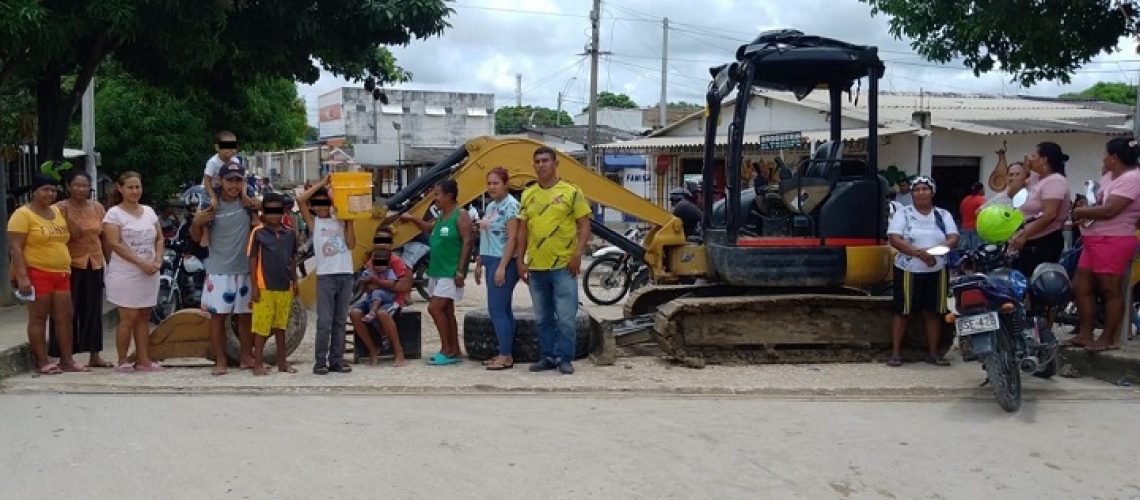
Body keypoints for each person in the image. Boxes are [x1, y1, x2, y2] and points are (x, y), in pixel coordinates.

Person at [516, 146, 592, 375]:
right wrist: (520, 260)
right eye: (537, 161)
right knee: (542, 318)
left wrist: (578, 254)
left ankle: (565, 358)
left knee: (567, 317)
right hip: (537, 267)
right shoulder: (528, 194)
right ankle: (547, 356)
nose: (541, 165)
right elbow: (522, 230)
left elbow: (585, 224)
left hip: (564, 266)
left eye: (545, 161)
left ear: (556, 163)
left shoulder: (571, 191)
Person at [1068, 138, 1140, 352]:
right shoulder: (1110, 176)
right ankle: (1085, 334)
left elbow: (1110, 210)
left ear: (1115, 158)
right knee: (1081, 286)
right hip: (1093, 239)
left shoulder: (1133, 178)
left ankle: (1108, 338)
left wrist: (1081, 212)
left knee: (1110, 290)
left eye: (1106, 155)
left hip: (1114, 239)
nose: (1103, 158)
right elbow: (1100, 203)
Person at [7, 173, 82, 374]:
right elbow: (16, 247)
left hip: (62, 273)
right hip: (37, 272)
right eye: (45, 189)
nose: (50, 193)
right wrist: (22, 276)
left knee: (65, 317)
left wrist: (68, 216)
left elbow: (75, 235)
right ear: (35, 192)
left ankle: (67, 360)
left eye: (53, 190)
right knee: (39, 318)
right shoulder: (23, 215)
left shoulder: (58, 212)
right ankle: (42, 361)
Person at [191, 161, 258, 376]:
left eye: (238, 180)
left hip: (244, 269)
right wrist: (196, 223)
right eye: (230, 180)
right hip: (218, 270)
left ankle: (246, 356)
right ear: (221, 180)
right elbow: (195, 237)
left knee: (245, 316)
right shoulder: (210, 205)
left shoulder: (249, 204)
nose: (234, 185)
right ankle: (220, 360)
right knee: (218, 317)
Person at [885, 176, 959, 367]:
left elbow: (953, 238)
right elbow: (895, 238)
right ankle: (895, 354)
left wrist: (934, 253)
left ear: (932, 192)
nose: (920, 193)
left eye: (925, 189)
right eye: (916, 190)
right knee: (903, 311)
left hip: (937, 269)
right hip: (909, 269)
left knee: (933, 312)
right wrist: (921, 254)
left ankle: (934, 354)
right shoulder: (904, 214)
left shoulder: (943, 215)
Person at [401, 179, 473, 366]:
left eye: (437, 195)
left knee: (434, 308)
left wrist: (460, 271)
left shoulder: (461, 215)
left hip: (450, 271)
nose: (435, 199)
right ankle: (454, 349)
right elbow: (429, 228)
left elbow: (467, 242)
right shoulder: (442, 215)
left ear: (449, 196)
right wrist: (412, 219)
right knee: (447, 311)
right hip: (437, 269)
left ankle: (446, 350)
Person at [47, 171, 110, 368]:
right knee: (66, 311)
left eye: (84, 186)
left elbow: (104, 236)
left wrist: (110, 261)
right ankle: (64, 355)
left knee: (93, 309)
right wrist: (69, 218)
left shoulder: (98, 207)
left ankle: (94, 354)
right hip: (70, 264)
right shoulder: (58, 209)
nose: (81, 190)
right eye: (76, 185)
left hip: (95, 262)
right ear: (68, 186)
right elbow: (73, 234)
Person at [102, 172, 164, 372]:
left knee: (144, 316)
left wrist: (157, 260)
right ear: (120, 189)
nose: (134, 191)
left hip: (149, 272)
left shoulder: (149, 211)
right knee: (128, 317)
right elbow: (114, 243)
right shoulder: (113, 214)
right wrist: (140, 263)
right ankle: (122, 360)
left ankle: (143, 359)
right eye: (130, 187)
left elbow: (159, 238)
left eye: (137, 187)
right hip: (126, 273)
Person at [297, 176, 356, 374]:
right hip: (326, 277)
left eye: (326, 203)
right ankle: (320, 361)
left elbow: (351, 244)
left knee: (340, 320)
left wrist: (348, 223)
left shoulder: (341, 220)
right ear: (314, 206)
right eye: (318, 204)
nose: (322, 207)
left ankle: (336, 360)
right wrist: (322, 184)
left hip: (345, 275)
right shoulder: (315, 224)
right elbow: (301, 200)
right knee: (324, 322)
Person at [472, 167, 521, 371]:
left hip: (504, 261)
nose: (492, 187)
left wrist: (502, 266)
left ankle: (506, 355)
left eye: (496, 183)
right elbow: (487, 235)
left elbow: (513, 238)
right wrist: (480, 261)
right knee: (503, 309)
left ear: (505, 184)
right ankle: (505, 350)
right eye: (489, 183)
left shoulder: (512, 206)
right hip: (489, 258)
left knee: (496, 309)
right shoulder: (491, 206)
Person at [247, 193, 298, 375]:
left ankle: (282, 362)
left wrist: (295, 280)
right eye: (270, 211)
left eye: (278, 211)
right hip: (264, 287)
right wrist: (254, 285)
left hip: (284, 287)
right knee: (261, 328)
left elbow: (292, 259)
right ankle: (258, 363)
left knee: (281, 327)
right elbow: (252, 260)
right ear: (264, 212)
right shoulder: (258, 233)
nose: (274, 216)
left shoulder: (290, 234)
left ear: (283, 212)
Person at [349, 226, 412, 367]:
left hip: (393, 300)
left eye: (386, 241)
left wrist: (377, 284)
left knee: (383, 313)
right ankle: (372, 349)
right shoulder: (371, 261)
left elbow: (403, 286)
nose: (382, 244)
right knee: (354, 313)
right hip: (372, 299)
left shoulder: (396, 261)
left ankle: (398, 352)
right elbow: (366, 287)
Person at [1009, 143, 1071, 278]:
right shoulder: (1034, 178)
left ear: (1044, 159)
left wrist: (1025, 235)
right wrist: (1024, 173)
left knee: (1036, 281)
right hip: (1028, 240)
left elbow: (1050, 215)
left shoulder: (1055, 181)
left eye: (1033, 155)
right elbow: (1012, 193)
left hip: (1044, 241)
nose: (1029, 159)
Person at [198, 131, 256, 248]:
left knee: (250, 190)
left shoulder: (236, 161)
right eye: (226, 147)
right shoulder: (213, 162)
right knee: (206, 205)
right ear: (217, 147)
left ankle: (254, 217)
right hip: (212, 188)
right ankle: (205, 232)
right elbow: (207, 181)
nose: (230, 151)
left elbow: (242, 179)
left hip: (229, 186)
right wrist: (213, 197)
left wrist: (244, 194)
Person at [957, 182, 986, 252]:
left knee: (965, 255)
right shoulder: (981, 199)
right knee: (977, 254)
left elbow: (961, 212)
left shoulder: (965, 200)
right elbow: (985, 214)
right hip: (976, 231)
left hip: (964, 231)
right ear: (981, 190)